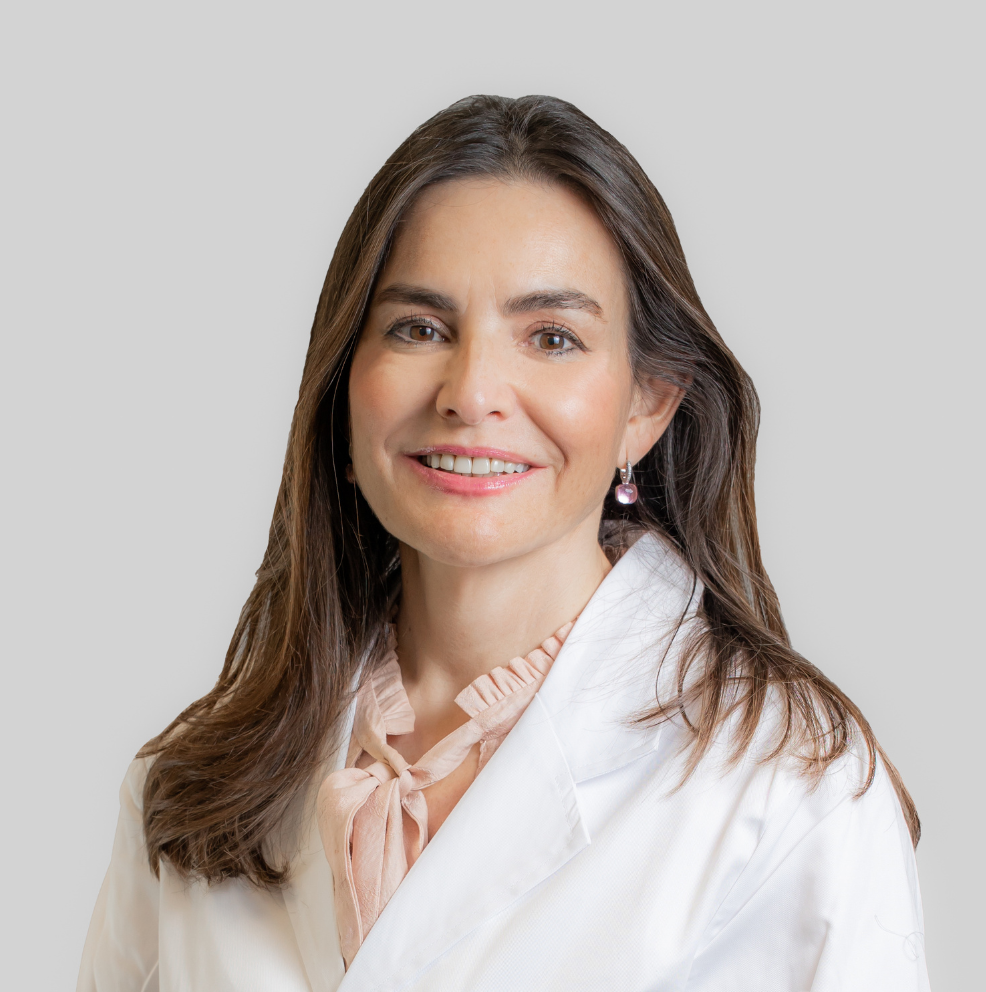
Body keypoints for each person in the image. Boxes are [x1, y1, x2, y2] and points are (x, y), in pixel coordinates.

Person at [78, 94, 930, 991]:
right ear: (346, 382)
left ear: (648, 403)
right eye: (419, 329)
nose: (471, 391)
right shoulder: (191, 786)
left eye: (552, 338)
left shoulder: (791, 788)